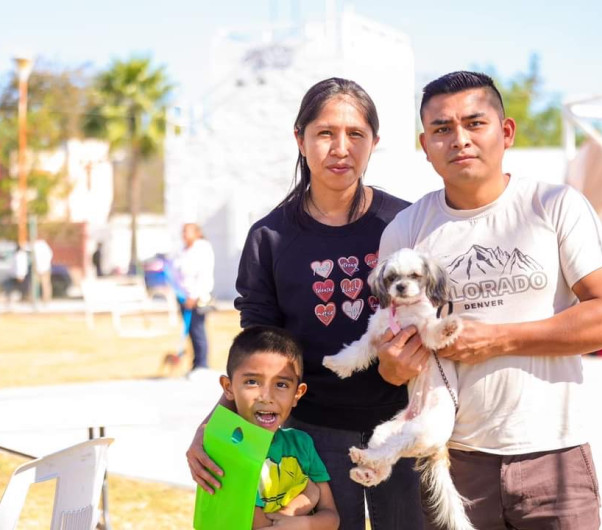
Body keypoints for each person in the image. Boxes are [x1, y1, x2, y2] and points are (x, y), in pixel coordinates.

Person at [375, 71, 602, 530]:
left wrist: (498, 339)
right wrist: (393, 364)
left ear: (506, 131)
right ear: (425, 144)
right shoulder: (406, 231)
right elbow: (390, 355)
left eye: (475, 123)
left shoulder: (555, 205)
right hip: (453, 461)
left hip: (554, 457)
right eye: (441, 130)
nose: (459, 140)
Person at [186, 78, 424, 530]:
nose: (340, 147)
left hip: (403, 428)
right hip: (315, 438)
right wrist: (212, 424)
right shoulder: (270, 237)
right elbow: (257, 349)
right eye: (324, 133)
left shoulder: (405, 223)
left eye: (355, 134)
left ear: (374, 141)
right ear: (300, 138)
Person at [218, 325, 339, 529]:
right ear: (228, 388)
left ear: (297, 394)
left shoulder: (301, 443)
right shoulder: (228, 450)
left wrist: (302, 522)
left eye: (281, 384)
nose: (267, 397)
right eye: (252, 382)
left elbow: (332, 518)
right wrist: (305, 499)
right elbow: (258, 525)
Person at [173, 223, 215, 377]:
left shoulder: (202, 249)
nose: (184, 234)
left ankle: (202, 364)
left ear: (197, 233)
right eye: (182, 231)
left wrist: (194, 295)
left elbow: (204, 274)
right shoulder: (182, 251)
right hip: (183, 296)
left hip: (197, 296)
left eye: (187, 231)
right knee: (189, 330)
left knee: (198, 330)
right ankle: (195, 363)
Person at [32, 238, 53, 303]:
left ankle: (43, 299)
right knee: (45, 284)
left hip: (41, 268)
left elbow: (35, 259)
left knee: (40, 284)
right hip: (45, 267)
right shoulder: (45, 246)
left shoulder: (36, 246)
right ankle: (45, 299)